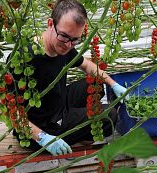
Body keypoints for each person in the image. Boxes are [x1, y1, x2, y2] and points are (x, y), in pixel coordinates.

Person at [11, 0, 127, 156]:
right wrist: (42, 137)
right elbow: (2, 106)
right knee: (110, 116)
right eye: (64, 37)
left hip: (56, 102)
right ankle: (69, 137)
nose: (68, 45)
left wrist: (114, 84)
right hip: (42, 126)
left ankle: (76, 124)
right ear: (50, 24)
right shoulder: (26, 58)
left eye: (75, 40)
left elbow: (86, 65)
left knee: (97, 84)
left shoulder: (63, 44)